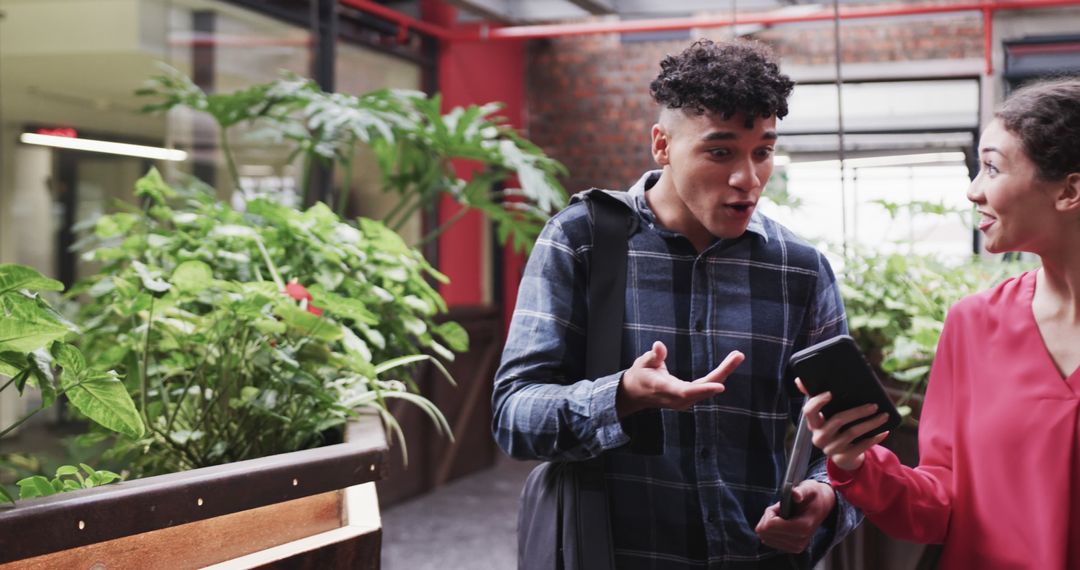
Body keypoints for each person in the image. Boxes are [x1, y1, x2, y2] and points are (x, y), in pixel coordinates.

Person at [493, 38, 861, 569]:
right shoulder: (581, 241)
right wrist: (620, 396)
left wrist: (825, 500)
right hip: (614, 554)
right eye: (720, 151)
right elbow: (512, 415)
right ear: (662, 145)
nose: (748, 178)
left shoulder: (799, 269)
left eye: (762, 151)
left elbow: (846, 444)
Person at [799, 77, 1080, 569]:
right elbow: (938, 506)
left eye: (992, 168)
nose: (974, 191)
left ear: (1070, 190)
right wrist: (855, 463)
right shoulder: (973, 324)